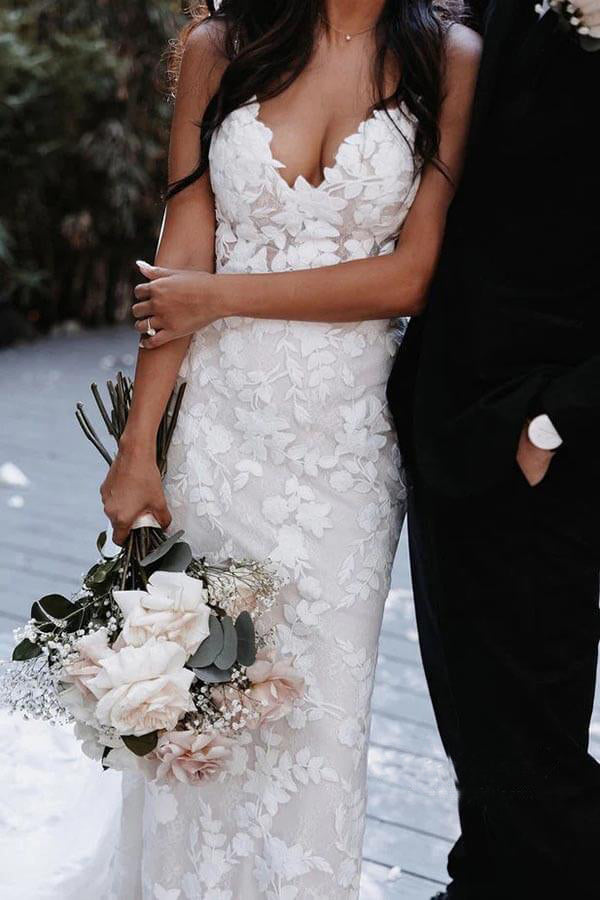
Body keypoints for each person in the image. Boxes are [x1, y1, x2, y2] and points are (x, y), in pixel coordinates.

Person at [101, 1, 481, 895]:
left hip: (345, 443)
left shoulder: (448, 55)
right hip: (219, 427)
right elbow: (182, 248)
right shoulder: (219, 45)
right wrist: (138, 447)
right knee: (189, 693)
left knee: (317, 713)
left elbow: (415, 275)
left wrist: (223, 296)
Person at [387, 1, 600, 898]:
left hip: (545, 442)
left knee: (532, 726)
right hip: (447, 425)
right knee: (476, 715)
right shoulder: (497, 15)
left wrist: (554, 421)